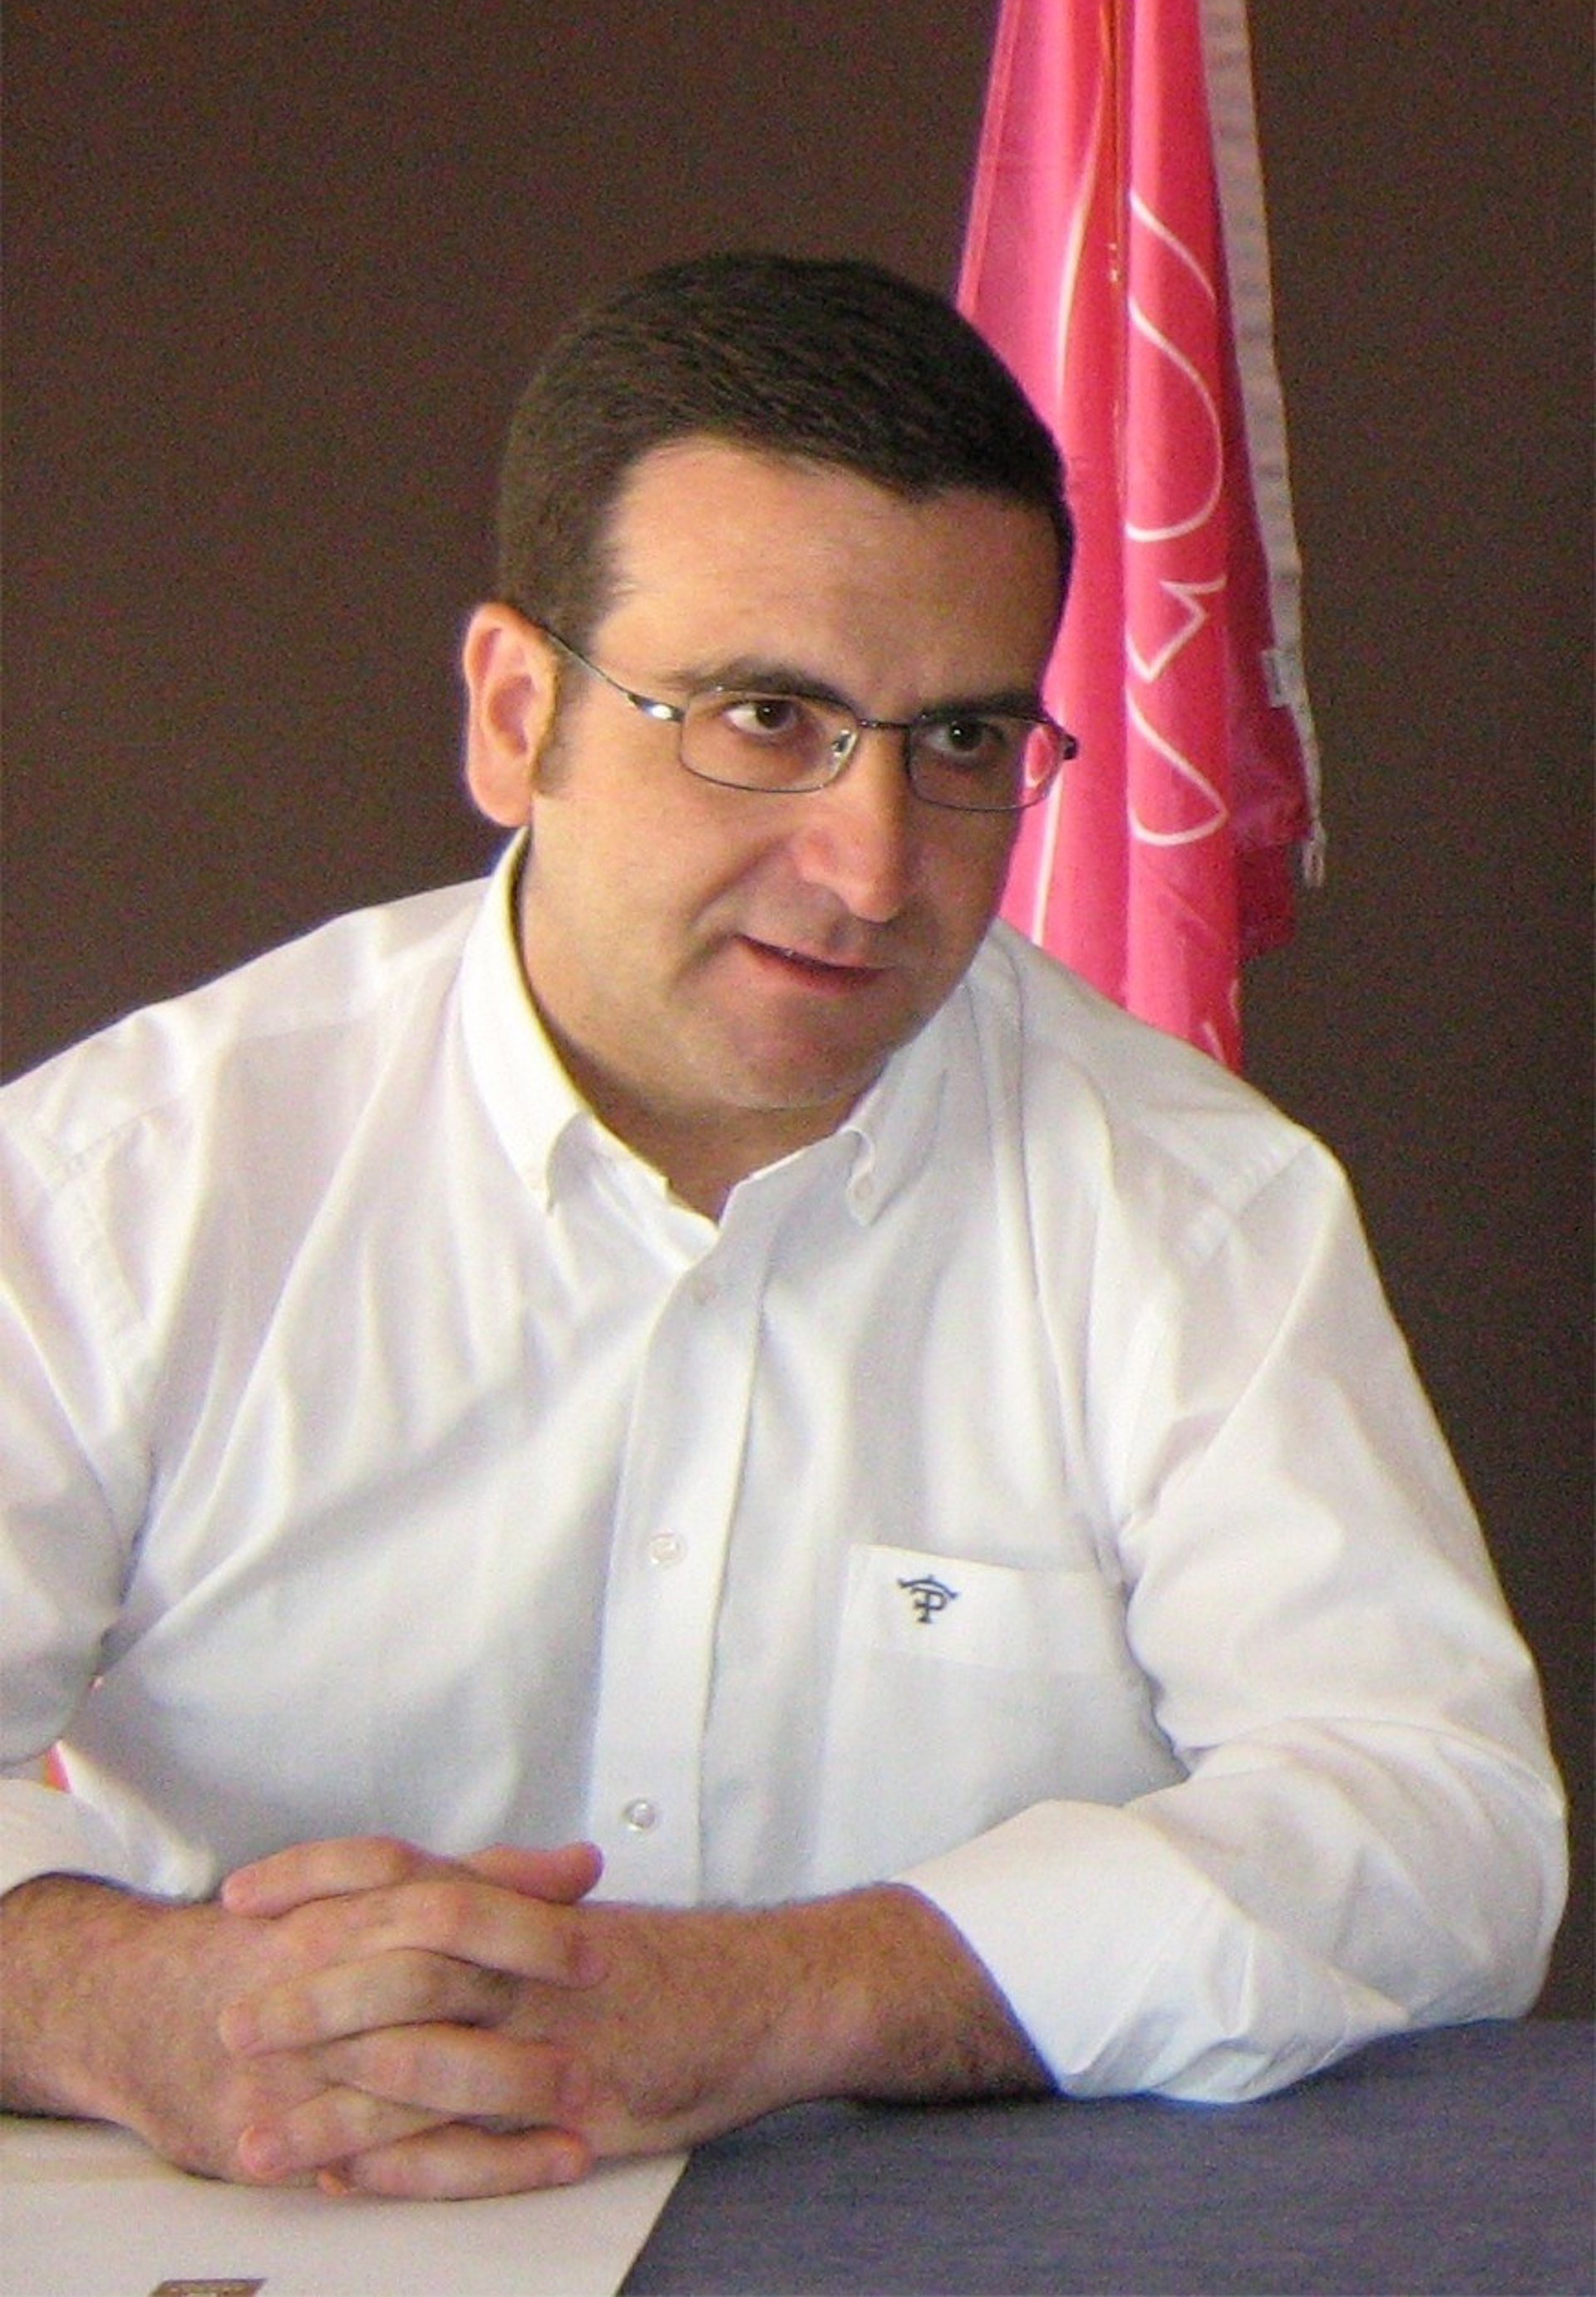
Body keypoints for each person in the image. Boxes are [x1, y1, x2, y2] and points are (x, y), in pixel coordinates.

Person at [0, 254, 1564, 2203]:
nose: (873, 863)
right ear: (517, 715)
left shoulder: (1193, 1205)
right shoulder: (135, 1183)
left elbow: (1440, 1824)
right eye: (764, 715)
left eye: (963, 743)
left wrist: (787, 1999)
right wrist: (122, 2003)